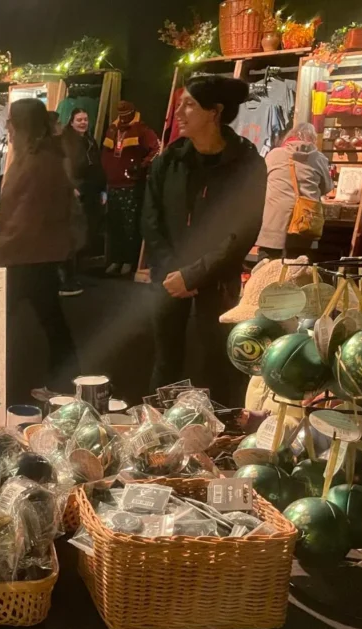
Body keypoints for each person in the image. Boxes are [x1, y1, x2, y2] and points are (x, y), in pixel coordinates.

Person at [142, 75, 267, 407]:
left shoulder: (247, 164)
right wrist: (176, 273)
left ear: (215, 112)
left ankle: (220, 438)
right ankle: (159, 437)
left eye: (189, 105)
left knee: (216, 362)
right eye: (180, 103)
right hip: (168, 278)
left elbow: (243, 231)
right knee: (166, 360)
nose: (179, 112)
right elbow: (151, 220)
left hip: (217, 281)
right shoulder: (169, 161)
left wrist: (196, 275)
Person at [0, 98, 81, 394]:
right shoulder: (42, 155)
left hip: (24, 256)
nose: (9, 129)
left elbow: (27, 216)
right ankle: (67, 381)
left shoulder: (37, 161)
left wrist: (0, 250)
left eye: (11, 123)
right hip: (36, 254)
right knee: (50, 318)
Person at [256, 123, 332, 260]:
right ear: (313, 139)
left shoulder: (274, 155)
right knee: (297, 272)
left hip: (274, 224)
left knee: (267, 272)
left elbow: (260, 183)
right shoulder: (319, 159)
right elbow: (327, 187)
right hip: (304, 224)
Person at [101, 101, 160, 276]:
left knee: (130, 225)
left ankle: (129, 260)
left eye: (127, 114)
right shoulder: (112, 129)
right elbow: (105, 153)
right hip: (112, 184)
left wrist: (142, 166)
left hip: (130, 184)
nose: (124, 117)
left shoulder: (141, 129)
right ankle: (116, 259)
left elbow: (157, 148)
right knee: (114, 224)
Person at [60, 108, 107, 296]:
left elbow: (97, 164)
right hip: (77, 191)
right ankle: (68, 276)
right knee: (74, 233)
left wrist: (102, 189)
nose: (83, 122)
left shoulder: (89, 140)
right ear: (71, 122)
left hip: (91, 191)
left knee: (87, 231)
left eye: (85, 119)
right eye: (79, 119)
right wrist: (72, 187)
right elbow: (65, 167)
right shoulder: (66, 141)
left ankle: (78, 272)